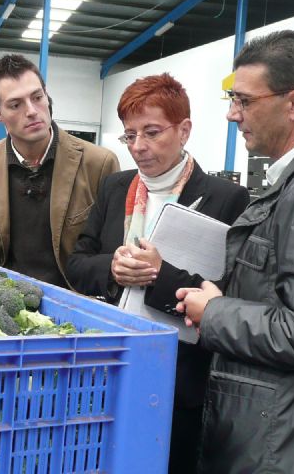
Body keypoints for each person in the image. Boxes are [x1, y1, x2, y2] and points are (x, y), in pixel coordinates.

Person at [176, 30, 294, 473]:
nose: (231, 114)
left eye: (244, 101)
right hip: (290, 428)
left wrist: (215, 312)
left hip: (289, 445)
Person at [66, 73, 249, 474]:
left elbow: (228, 294)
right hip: (109, 365)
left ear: (184, 130)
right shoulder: (116, 188)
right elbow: (77, 263)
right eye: (129, 136)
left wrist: (158, 275)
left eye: (151, 132)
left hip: (179, 379)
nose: (138, 147)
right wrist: (114, 267)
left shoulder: (226, 199)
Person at [0, 54, 120, 287]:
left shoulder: (99, 163)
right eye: (16, 105)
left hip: (75, 299)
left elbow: (111, 254)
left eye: (37, 97)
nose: (32, 111)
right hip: (6, 298)